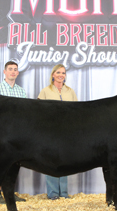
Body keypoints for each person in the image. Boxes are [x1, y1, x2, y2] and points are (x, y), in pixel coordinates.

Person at [38, 64, 78, 200]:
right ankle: (53, 193)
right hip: (50, 131)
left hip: (66, 132)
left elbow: (76, 111)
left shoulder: (70, 92)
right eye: (59, 72)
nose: (61, 75)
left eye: (64, 73)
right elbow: (38, 111)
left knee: (65, 160)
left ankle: (64, 193)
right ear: (53, 74)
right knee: (50, 161)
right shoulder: (45, 91)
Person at [0, 61, 26, 204]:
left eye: (15, 70)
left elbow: (24, 114)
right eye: (10, 69)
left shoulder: (21, 91)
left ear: (17, 73)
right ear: (4, 72)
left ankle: (9, 193)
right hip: (0, 133)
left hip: (16, 133)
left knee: (13, 164)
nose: (13, 72)